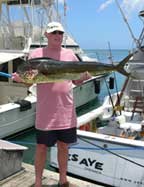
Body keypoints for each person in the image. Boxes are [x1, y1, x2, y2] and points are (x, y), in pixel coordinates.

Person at [13, 21, 91, 187]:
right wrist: (21, 80)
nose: (57, 36)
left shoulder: (70, 54)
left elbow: (76, 81)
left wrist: (83, 78)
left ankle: (63, 179)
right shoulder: (36, 55)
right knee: (41, 147)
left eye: (60, 33)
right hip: (45, 112)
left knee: (64, 147)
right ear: (46, 35)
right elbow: (29, 83)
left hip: (66, 111)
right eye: (54, 32)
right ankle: (38, 182)